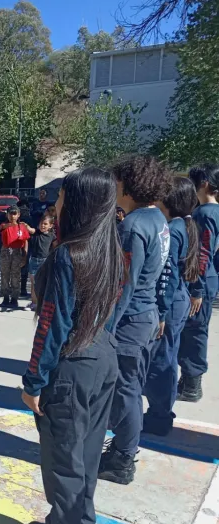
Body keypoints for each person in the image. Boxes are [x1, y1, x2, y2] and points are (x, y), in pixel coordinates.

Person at [15, 167, 123, 524]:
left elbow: (52, 324)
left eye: (61, 197)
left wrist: (34, 380)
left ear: (76, 203)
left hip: (73, 366)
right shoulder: (109, 246)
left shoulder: (68, 255)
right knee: (86, 458)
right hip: (102, 357)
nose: (55, 203)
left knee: (63, 463)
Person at [99, 155, 171, 486]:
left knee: (124, 390)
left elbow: (124, 284)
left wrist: (106, 327)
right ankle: (123, 449)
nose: (113, 188)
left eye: (116, 182)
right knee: (130, 387)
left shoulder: (133, 226)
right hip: (146, 315)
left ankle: (123, 458)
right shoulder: (157, 220)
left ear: (127, 184)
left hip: (130, 321)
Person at [142, 177, 199, 436]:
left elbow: (168, 275)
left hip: (170, 301)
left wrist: (161, 312)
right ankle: (161, 411)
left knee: (163, 361)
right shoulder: (181, 225)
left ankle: (159, 415)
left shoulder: (174, 229)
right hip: (177, 299)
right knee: (166, 356)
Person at [177, 163, 219, 402]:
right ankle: (189, 380)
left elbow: (202, 253)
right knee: (197, 330)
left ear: (203, 184)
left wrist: (197, 289)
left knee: (194, 333)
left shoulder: (204, 214)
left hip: (200, 280)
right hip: (210, 276)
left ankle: (192, 383)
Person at [0, 206, 30, 308]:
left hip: (17, 251)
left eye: (14, 214)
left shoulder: (22, 227)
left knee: (16, 276)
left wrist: (25, 256)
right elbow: (3, 228)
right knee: (5, 275)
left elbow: (25, 241)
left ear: (18, 215)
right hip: (6, 251)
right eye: (10, 214)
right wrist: (10, 225)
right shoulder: (4, 225)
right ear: (7, 215)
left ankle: (14, 298)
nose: (12, 216)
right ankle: (5, 297)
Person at [23, 216, 55, 311]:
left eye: (45, 224)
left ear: (50, 226)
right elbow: (29, 229)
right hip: (33, 260)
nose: (43, 225)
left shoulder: (52, 236)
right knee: (34, 283)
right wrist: (24, 225)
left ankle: (42, 303)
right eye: (41, 223)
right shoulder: (36, 232)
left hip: (45, 261)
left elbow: (56, 247)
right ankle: (34, 303)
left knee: (43, 283)